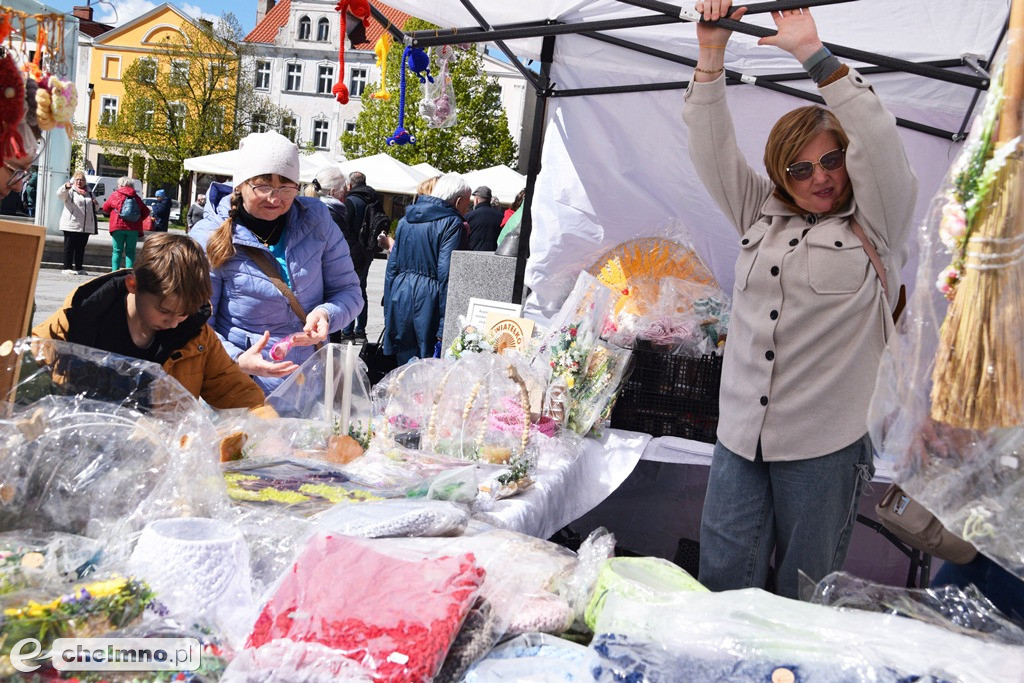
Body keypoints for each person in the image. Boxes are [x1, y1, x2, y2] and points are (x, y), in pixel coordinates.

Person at [685, 2, 917, 599]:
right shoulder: (758, 212)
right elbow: (711, 149)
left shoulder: (878, 223)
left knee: (804, 594)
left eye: (831, 160)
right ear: (780, 175)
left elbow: (878, 141)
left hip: (825, 445)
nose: (821, 177)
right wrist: (710, 53)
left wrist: (814, 56)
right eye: (800, 168)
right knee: (721, 582)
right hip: (740, 436)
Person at [189, 131, 362, 394]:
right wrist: (237, 360)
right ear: (241, 184)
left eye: (286, 187)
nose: (275, 198)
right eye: (263, 186)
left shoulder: (317, 220)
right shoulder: (207, 236)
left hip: (311, 386)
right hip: (243, 390)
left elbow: (349, 291)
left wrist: (327, 313)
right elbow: (195, 325)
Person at [33, 232, 267, 409]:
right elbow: (25, 368)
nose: (175, 322)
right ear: (133, 285)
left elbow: (235, 390)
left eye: (184, 313)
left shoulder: (196, 333)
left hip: (159, 453)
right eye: (165, 311)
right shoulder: (80, 317)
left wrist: (266, 425)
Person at [382, 172, 470, 364]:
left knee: (404, 367)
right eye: (467, 203)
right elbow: (447, 274)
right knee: (428, 367)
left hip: (401, 295)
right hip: (430, 300)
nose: (467, 209)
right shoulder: (452, 223)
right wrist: (445, 324)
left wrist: (388, 309)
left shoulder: (405, 221)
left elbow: (392, 268)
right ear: (458, 201)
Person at [343, 171, 385, 342]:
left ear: (350, 184)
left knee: (349, 290)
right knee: (362, 290)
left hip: (352, 251)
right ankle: (360, 330)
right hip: (368, 251)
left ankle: (347, 331)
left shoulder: (351, 201)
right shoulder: (375, 199)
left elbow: (345, 228)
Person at [102, 177, 150, 272]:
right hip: (133, 228)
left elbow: (105, 208)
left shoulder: (115, 195)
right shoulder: (136, 197)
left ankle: (114, 272)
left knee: (117, 251)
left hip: (117, 227)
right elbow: (146, 211)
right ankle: (129, 272)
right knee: (130, 252)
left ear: (121, 185)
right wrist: (138, 219)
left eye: (118, 185)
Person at [57, 170, 100, 275]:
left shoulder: (90, 192)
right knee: (69, 247)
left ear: (85, 181)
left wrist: (96, 204)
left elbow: (96, 208)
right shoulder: (70, 191)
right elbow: (59, 194)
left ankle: (79, 267)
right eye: (77, 180)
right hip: (71, 224)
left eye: (81, 180)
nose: (79, 182)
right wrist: (65, 187)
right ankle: (67, 267)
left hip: (85, 226)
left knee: (80, 248)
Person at [464, 185, 503, 251]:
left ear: (476, 200)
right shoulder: (501, 216)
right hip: (493, 254)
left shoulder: (469, 216)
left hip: (472, 254)